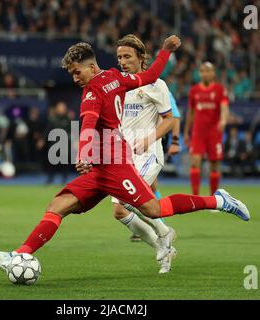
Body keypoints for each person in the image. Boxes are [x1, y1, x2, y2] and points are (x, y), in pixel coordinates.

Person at [0, 35, 250, 277]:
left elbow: (88, 126)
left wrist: (85, 153)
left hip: (115, 164)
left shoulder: (92, 92)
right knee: (58, 205)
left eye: (77, 73)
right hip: (101, 168)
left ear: (90, 67)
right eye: (72, 74)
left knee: (153, 208)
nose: (75, 79)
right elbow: (150, 75)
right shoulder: (115, 77)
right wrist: (165, 52)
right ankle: (20, 254)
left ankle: (219, 201)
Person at [113, 34, 178, 273]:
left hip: (149, 153)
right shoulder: (119, 85)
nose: (123, 61)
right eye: (119, 57)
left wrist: (148, 139)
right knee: (120, 212)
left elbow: (169, 120)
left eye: (127, 56)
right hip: (125, 156)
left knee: (127, 202)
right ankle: (164, 241)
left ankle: (163, 235)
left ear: (141, 57)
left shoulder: (156, 85)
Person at [183, 62, 229, 196]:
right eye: (203, 71)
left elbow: (224, 108)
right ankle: (195, 197)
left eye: (208, 71)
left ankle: (213, 198)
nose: (205, 74)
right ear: (199, 73)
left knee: (214, 165)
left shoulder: (220, 90)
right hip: (198, 132)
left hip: (214, 132)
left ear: (213, 73)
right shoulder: (194, 91)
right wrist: (186, 132)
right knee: (195, 162)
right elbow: (190, 112)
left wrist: (223, 120)